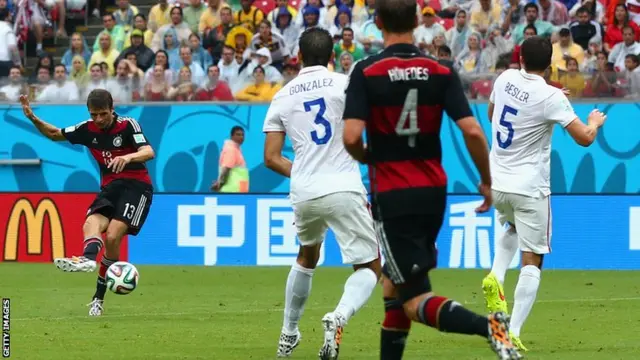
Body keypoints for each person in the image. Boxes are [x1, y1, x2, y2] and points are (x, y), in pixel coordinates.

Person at [340, 0, 522, 359]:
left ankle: (490, 326)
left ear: (377, 23)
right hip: (433, 192)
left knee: (412, 299)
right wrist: (486, 181)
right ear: (415, 22)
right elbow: (472, 131)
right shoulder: (439, 70)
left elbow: (349, 137)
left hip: (393, 196)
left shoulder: (367, 71)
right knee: (393, 287)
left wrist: (369, 157)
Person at [482, 36, 607, 352]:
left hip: (497, 182)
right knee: (533, 257)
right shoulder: (550, 96)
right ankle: (512, 331)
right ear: (550, 64)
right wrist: (594, 122)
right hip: (529, 188)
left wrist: (549, 100)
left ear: (520, 58)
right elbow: (584, 139)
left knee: (511, 226)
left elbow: (491, 114)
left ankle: (496, 275)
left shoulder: (505, 77)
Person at [263, 27, 381, 360]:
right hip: (342, 184)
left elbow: (270, 157)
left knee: (306, 256)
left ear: (298, 56)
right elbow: (363, 131)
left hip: (304, 191)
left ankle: (288, 334)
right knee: (370, 267)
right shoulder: (346, 84)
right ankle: (338, 316)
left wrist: (301, 172)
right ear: (332, 56)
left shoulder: (283, 94)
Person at [19, 90, 155, 317]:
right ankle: (88, 258)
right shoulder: (87, 129)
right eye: (94, 115)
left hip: (137, 187)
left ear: (112, 109)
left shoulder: (128, 125)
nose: (99, 119)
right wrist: (32, 117)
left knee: (112, 236)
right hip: (110, 187)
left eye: (103, 114)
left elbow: (149, 151)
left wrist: (127, 157)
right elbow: (54, 134)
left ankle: (98, 298)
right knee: (91, 222)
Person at [211, 126, 249, 192]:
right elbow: (226, 169)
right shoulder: (231, 149)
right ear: (231, 136)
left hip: (238, 191)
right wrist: (219, 184)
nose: (241, 137)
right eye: (238, 135)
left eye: (243, 135)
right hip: (232, 191)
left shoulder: (236, 150)